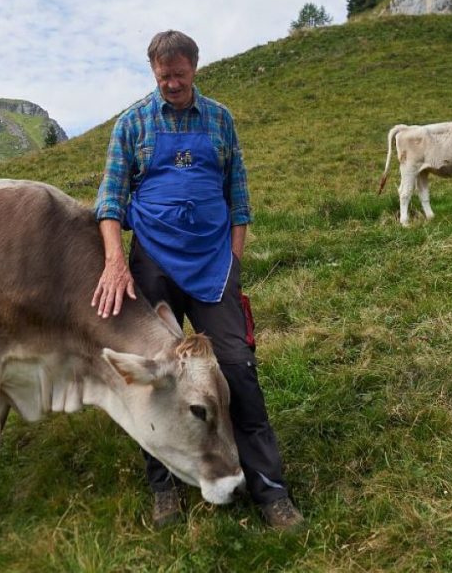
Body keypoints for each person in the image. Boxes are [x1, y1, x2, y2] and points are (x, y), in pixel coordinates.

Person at [92, 29, 303, 530]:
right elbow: (110, 200)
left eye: (180, 76)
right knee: (154, 378)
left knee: (237, 367)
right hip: (152, 265)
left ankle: (269, 489)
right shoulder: (132, 123)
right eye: (163, 76)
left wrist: (233, 261)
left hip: (212, 264)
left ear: (195, 68)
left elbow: (238, 197)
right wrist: (115, 262)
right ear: (154, 72)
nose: (172, 84)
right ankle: (164, 486)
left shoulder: (220, 119)